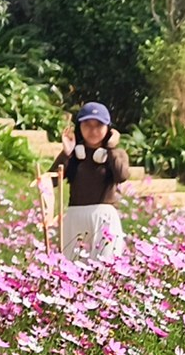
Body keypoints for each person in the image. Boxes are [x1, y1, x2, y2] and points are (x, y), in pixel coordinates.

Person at [52, 103, 129, 263]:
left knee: (104, 267)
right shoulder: (74, 154)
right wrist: (66, 153)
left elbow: (121, 175)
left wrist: (111, 148)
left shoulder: (116, 153)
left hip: (104, 217)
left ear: (108, 128)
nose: (93, 131)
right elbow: (52, 179)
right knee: (71, 265)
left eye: (99, 125)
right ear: (79, 127)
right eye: (87, 125)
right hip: (75, 217)